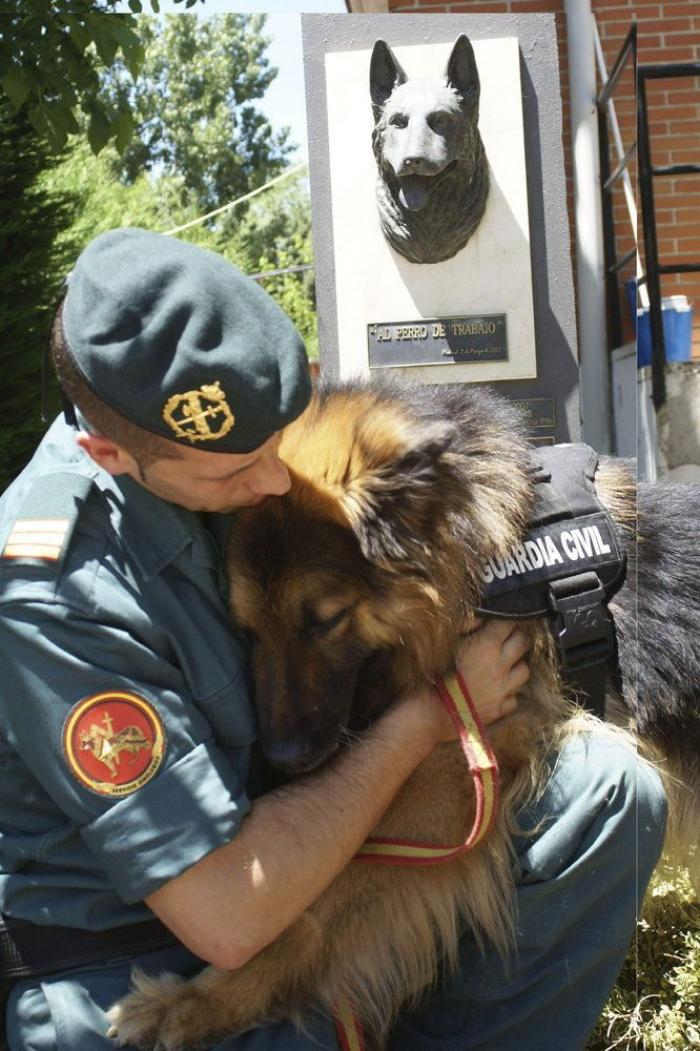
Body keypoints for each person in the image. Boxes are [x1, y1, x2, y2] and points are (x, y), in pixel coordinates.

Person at [0, 229, 666, 1051]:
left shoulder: (216, 474)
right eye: (233, 473)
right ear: (111, 452)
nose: (274, 482)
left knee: (607, 790)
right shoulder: (58, 590)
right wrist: (427, 717)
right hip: (143, 979)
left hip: (290, 876)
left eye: (272, 446)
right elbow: (229, 914)